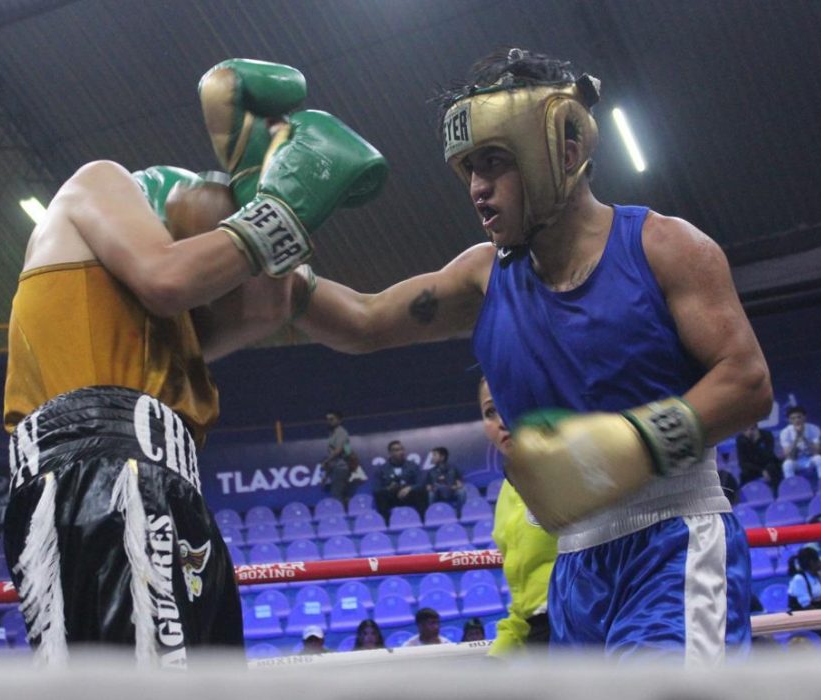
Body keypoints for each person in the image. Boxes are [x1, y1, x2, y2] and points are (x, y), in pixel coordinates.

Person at [290, 49, 770, 658]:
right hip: (573, 568)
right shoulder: (483, 276)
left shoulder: (664, 246)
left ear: (564, 151)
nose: (477, 188)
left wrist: (635, 444)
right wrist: (263, 242)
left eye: (494, 163)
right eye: (467, 169)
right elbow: (362, 322)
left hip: (674, 538)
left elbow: (748, 382)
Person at [1, 58, 387, 665]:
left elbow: (286, 311)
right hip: (97, 474)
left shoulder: (159, 334)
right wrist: (279, 209)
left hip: (166, 481)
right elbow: (167, 276)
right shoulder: (101, 184)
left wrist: (265, 172)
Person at [478, 378, 556, 655]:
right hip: (542, 639)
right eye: (489, 412)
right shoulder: (506, 495)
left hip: (587, 636)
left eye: (508, 404)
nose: (500, 421)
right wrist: (499, 655)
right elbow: (526, 603)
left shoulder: (576, 470)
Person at [373, 440, 427, 520]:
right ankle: (386, 525)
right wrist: (388, 488)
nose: (401, 452)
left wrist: (410, 488)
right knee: (380, 496)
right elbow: (376, 489)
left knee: (421, 492)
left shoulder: (412, 466)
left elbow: (421, 483)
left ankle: (423, 520)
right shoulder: (382, 469)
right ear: (390, 453)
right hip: (391, 498)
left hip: (409, 496)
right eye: (397, 450)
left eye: (402, 449)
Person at [779, 406, 821, 480]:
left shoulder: (814, 428)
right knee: (787, 464)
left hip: (810, 458)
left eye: (799, 417)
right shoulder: (785, 432)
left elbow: (816, 452)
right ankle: (793, 488)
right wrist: (796, 438)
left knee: (819, 458)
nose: (797, 420)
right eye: (793, 418)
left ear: (804, 417)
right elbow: (789, 456)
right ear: (789, 420)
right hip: (796, 461)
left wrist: (803, 436)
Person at [322, 410, 360, 505]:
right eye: (327, 419)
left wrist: (326, 461)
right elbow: (347, 450)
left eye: (332, 419)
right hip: (336, 467)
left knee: (336, 494)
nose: (329, 421)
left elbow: (338, 450)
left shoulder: (341, 432)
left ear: (339, 420)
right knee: (341, 494)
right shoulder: (333, 433)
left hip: (341, 467)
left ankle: (339, 517)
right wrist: (326, 474)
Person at [787, 547, 821, 613]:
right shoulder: (799, 579)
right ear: (812, 562)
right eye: (819, 560)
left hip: (817, 611)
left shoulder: (819, 575)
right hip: (802, 614)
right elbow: (806, 606)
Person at [424, 446, 467, 511]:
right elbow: (428, 486)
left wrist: (454, 487)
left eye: (434, 455)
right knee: (431, 494)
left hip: (451, 492)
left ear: (442, 457)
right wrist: (430, 488)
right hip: (438, 494)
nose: (432, 457)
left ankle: (459, 513)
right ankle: (432, 513)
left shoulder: (453, 469)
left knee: (462, 492)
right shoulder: (431, 471)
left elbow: (460, 484)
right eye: (432, 455)